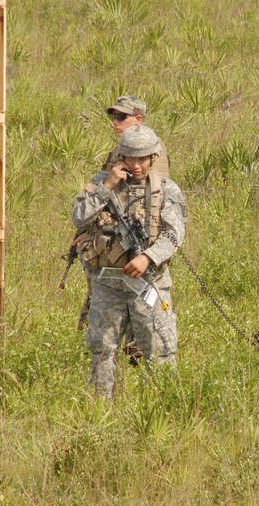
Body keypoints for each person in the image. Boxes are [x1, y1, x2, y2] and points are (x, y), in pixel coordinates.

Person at [71, 125, 186, 398]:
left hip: (149, 283)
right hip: (108, 284)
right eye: (130, 158)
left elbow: (174, 234)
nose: (136, 165)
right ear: (121, 156)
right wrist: (107, 186)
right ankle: (101, 408)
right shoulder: (101, 183)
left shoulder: (166, 190)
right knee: (102, 349)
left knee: (159, 350)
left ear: (152, 158)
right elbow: (79, 217)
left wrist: (148, 257)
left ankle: (163, 406)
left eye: (142, 159)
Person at [76, 95, 171, 331]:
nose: (115, 122)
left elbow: (148, 200)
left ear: (139, 120)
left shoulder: (153, 153)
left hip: (136, 242)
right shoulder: (117, 152)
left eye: (121, 116)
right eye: (113, 116)